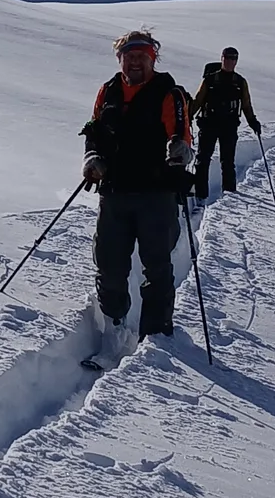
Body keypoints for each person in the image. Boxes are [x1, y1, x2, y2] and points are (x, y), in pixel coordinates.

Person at [82, 29, 194, 342]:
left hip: (156, 194)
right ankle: (115, 324)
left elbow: (183, 135)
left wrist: (180, 151)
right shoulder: (108, 91)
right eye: (128, 57)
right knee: (109, 263)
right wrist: (92, 158)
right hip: (115, 192)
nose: (134, 63)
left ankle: (156, 337)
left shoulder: (168, 92)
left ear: (152, 59)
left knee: (157, 266)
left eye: (141, 57)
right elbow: (94, 130)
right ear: (120, 60)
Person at [192, 45, 262, 201]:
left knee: (228, 161)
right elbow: (198, 100)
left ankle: (229, 196)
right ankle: (200, 195)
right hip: (209, 123)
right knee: (202, 160)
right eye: (227, 57)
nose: (230, 61)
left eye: (233, 58)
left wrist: (253, 122)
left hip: (229, 126)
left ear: (236, 61)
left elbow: (246, 105)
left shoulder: (240, 82)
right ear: (221, 58)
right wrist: (188, 116)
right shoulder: (209, 80)